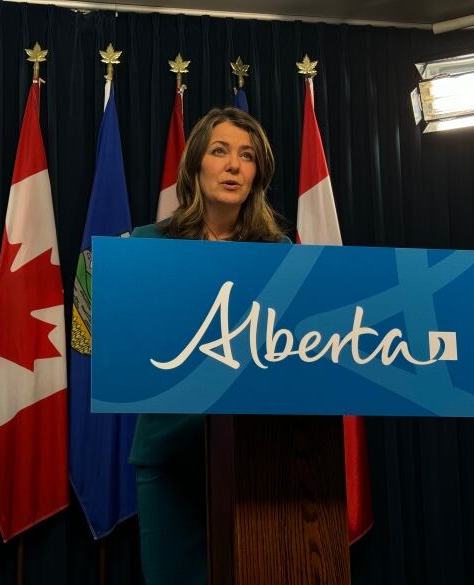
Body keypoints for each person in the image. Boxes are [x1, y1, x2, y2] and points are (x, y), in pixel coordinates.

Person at [129, 107, 290, 585]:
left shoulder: (279, 253)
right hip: (169, 454)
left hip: (253, 458)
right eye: (220, 152)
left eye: (247, 156)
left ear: (258, 173)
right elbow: (133, 345)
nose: (234, 166)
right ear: (196, 164)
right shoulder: (148, 244)